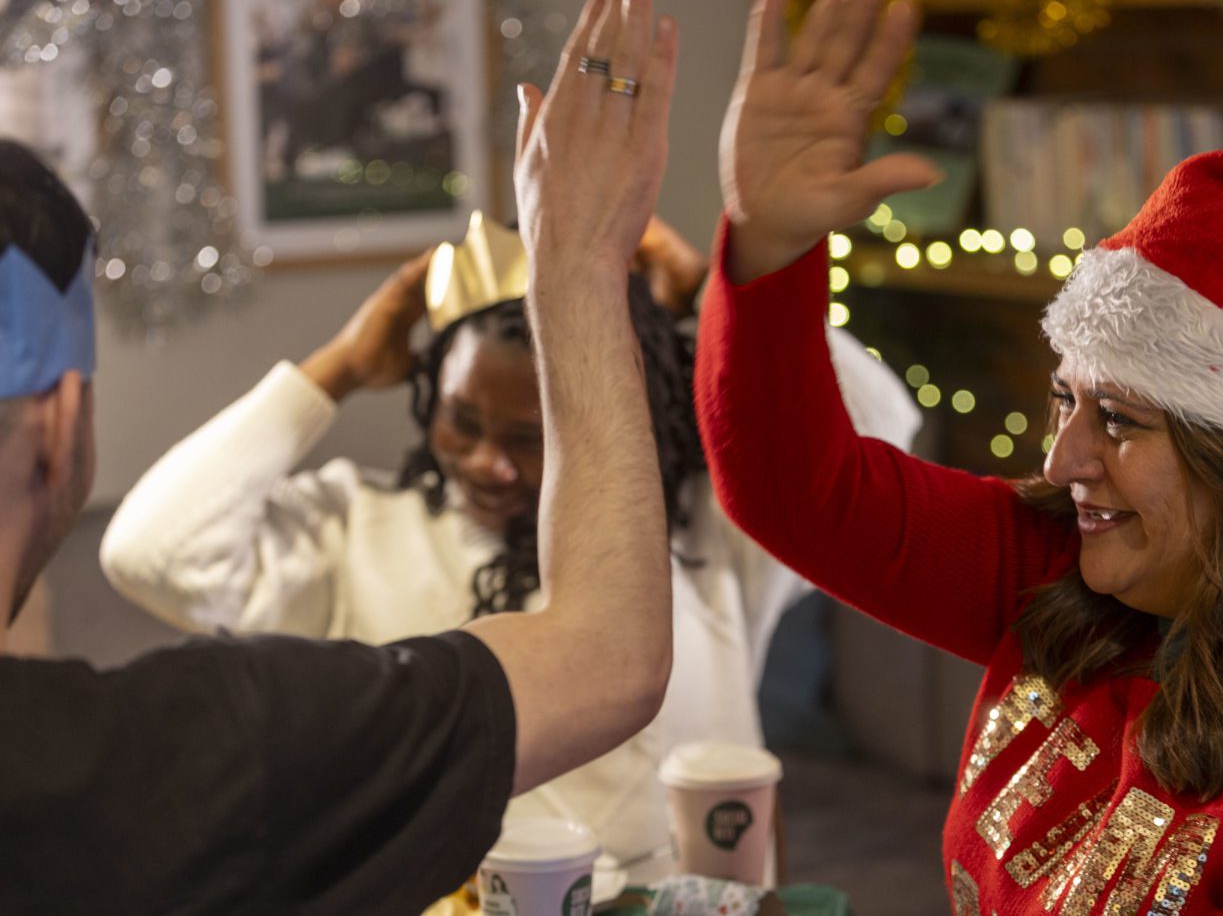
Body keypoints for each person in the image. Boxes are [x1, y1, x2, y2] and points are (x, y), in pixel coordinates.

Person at [690, 0, 1223, 912]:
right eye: (1066, 398)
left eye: (1122, 420)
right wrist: (772, 244)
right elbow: (799, 492)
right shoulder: (1074, 571)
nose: (1062, 460)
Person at [100, 129, 919, 888]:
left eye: (533, 437)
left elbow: (882, 428)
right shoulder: (354, 523)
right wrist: (340, 368)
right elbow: (152, 552)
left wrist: (710, 295)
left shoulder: (710, 524)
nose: (488, 463)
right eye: (462, 420)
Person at [1, 0, 679, 909]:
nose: (492, 464)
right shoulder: (200, 754)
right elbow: (607, 660)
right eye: (469, 425)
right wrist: (582, 261)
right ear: (57, 420)